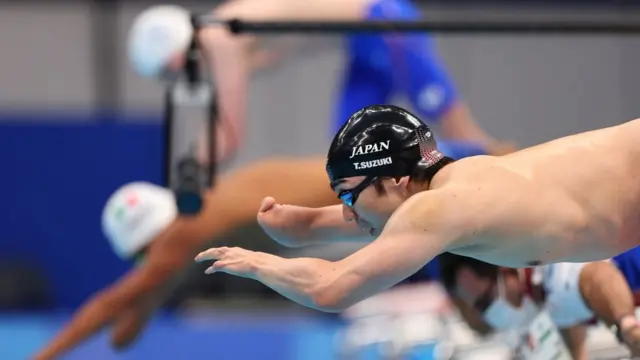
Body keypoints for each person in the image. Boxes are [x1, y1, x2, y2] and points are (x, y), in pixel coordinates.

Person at [33, 0, 514, 356]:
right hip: (359, 41)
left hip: (384, 20)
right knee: (368, 151)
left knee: (462, 152)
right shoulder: (187, 229)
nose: (146, 266)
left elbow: (115, 305)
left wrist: (42, 355)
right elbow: (130, 322)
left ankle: (513, 166)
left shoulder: (216, 36)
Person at [194, 104, 640, 322]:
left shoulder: (440, 207)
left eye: (348, 194)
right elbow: (352, 220)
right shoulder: (453, 188)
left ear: (396, 179)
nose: (346, 210)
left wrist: (255, 263)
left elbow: (331, 289)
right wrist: (294, 225)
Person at [438, 251, 640, 359]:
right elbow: (567, 310)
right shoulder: (539, 288)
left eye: (485, 302)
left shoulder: (552, 269)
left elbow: (598, 277)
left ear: (504, 270)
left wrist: (628, 327)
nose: (489, 313)